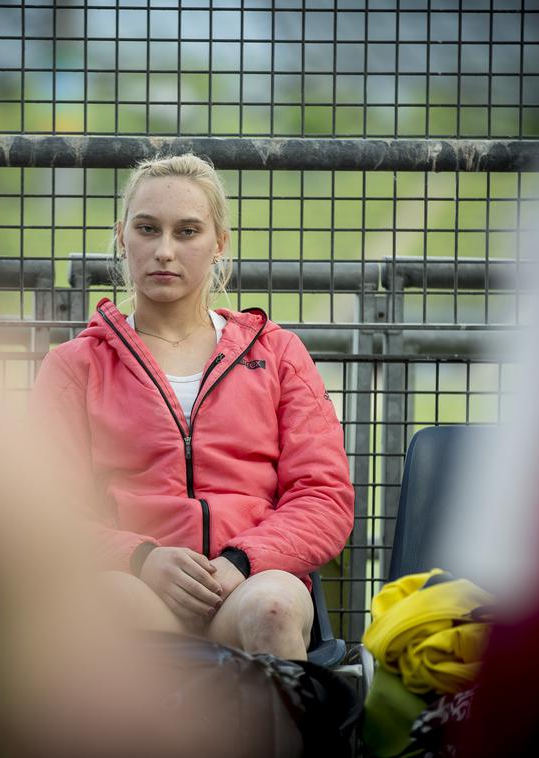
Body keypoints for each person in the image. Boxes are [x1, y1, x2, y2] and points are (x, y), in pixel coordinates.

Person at [30, 153, 354, 660]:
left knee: (275, 608)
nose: (163, 250)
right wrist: (141, 560)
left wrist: (242, 561)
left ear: (219, 243)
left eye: (186, 232)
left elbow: (324, 497)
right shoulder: (76, 366)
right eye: (146, 229)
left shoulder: (278, 353)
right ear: (122, 237)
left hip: (248, 583)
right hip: (135, 591)